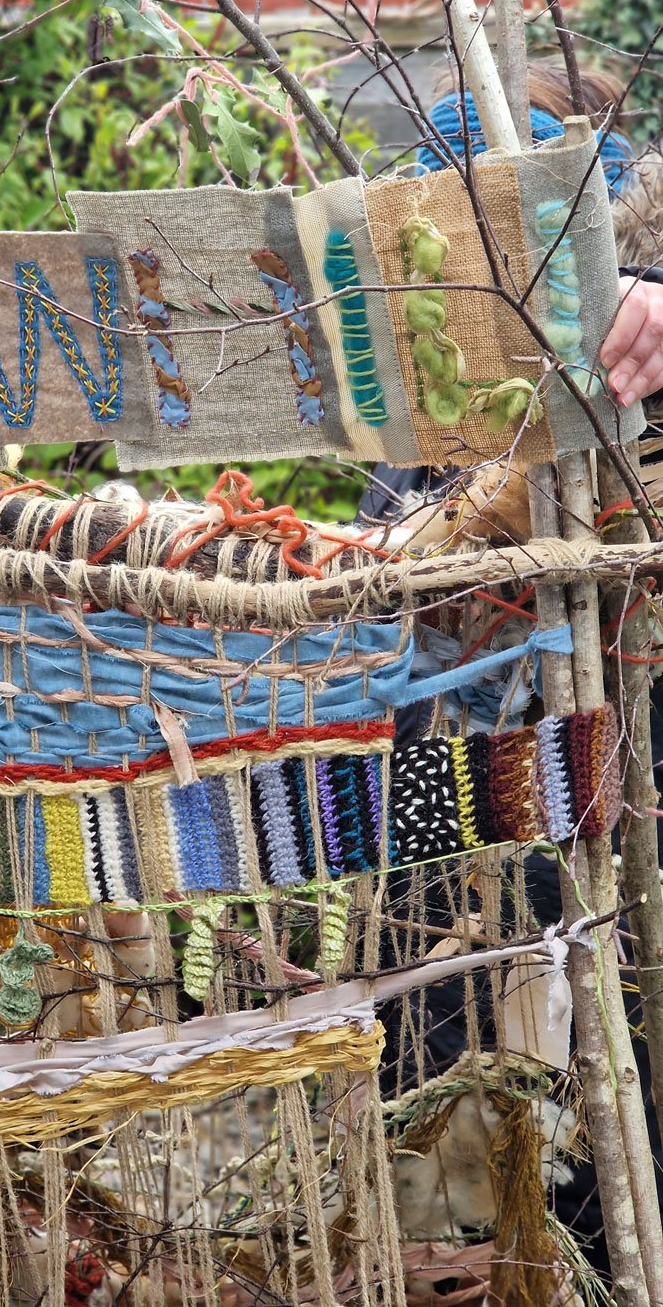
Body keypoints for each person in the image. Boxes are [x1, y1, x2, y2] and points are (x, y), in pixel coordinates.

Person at [364, 67, 663, 1283]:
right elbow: (399, 587)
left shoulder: (636, 326)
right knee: (460, 1095)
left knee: (621, 1068)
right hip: (458, 805)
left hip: (617, 780)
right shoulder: (418, 384)